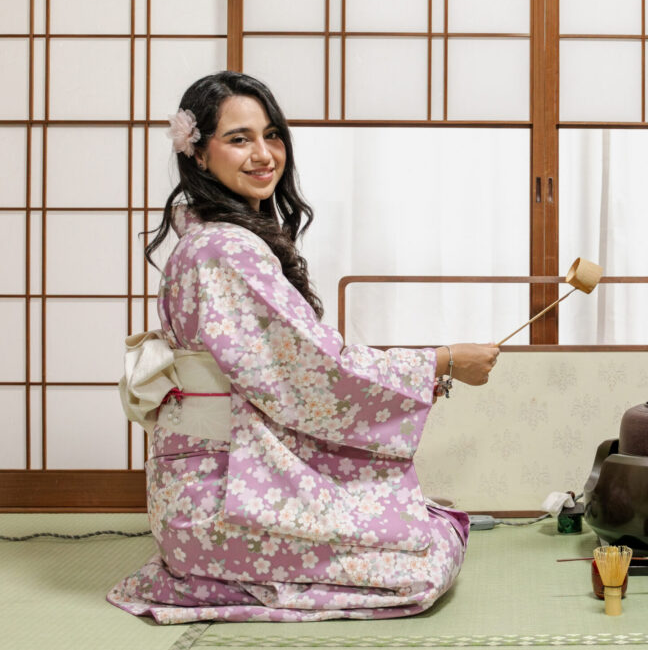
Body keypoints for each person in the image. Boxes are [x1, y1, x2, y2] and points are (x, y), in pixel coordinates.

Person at [108, 71, 499, 623]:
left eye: (272, 135)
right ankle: (220, 573)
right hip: (222, 498)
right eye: (239, 139)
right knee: (423, 561)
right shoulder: (225, 250)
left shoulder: (207, 238)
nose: (264, 154)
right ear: (197, 154)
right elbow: (317, 373)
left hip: (200, 487)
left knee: (430, 532)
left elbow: (295, 370)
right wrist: (444, 361)